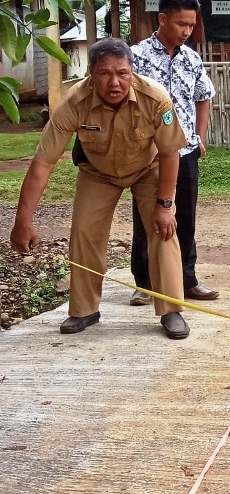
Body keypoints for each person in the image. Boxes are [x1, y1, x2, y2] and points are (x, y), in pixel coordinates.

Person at [9, 38, 192, 339]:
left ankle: (171, 310)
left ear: (133, 71)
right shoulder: (74, 102)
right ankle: (84, 310)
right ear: (91, 74)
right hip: (98, 173)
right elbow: (43, 162)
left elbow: (171, 153)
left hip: (149, 169)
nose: (114, 82)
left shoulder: (155, 98)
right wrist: (23, 220)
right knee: (83, 232)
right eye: (105, 73)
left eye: (122, 73)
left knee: (163, 229)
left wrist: (165, 205)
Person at [128, 0, 218, 306]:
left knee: (186, 216)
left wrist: (200, 136)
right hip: (150, 154)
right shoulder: (136, 56)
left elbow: (203, 96)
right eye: (181, 24)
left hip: (185, 151)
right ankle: (145, 283)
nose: (186, 31)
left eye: (191, 26)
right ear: (163, 19)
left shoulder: (192, 58)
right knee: (148, 216)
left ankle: (187, 279)